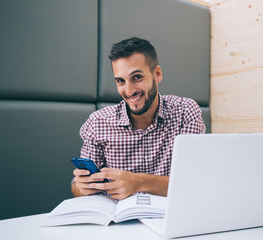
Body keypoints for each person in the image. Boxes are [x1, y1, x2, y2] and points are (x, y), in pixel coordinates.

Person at [71, 37, 206, 200]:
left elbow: (192, 183)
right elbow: (76, 190)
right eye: (121, 81)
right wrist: (82, 187)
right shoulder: (98, 123)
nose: (129, 91)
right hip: (118, 223)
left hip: (171, 219)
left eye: (136, 77)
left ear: (157, 74)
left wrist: (137, 182)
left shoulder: (185, 111)